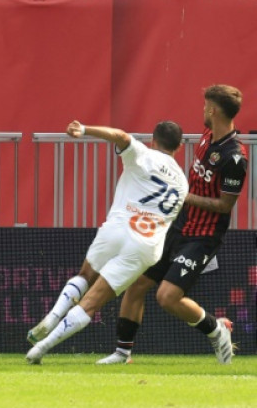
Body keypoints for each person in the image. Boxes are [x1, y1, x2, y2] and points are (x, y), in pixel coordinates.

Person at [97, 85, 246, 365]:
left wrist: (184, 196)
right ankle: (122, 353)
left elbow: (225, 206)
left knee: (167, 297)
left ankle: (216, 329)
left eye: (205, 106)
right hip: (178, 226)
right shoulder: (206, 137)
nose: (202, 110)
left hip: (203, 236)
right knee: (137, 283)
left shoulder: (235, 157)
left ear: (213, 110)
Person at [25, 120, 189, 364]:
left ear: (153, 140)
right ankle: (40, 349)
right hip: (146, 245)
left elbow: (120, 135)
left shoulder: (144, 154)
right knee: (93, 302)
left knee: (85, 275)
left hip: (119, 226)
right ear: (179, 148)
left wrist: (85, 129)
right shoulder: (183, 183)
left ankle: (53, 316)